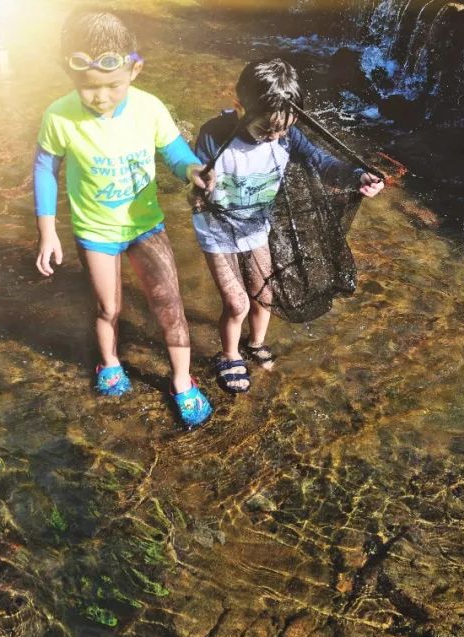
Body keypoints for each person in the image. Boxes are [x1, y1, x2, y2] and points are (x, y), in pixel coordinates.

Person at [33, 10, 214, 428]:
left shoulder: (149, 108)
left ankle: (182, 381)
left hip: (145, 226)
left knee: (169, 304)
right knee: (107, 305)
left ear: (135, 69)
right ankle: (110, 362)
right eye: (88, 88)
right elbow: (45, 170)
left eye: (112, 85)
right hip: (95, 231)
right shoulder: (59, 116)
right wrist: (47, 232)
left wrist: (192, 170)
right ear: (70, 75)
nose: (101, 97)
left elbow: (174, 152)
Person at [191, 58, 384, 393]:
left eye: (283, 128)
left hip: (255, 226)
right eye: (266, 129)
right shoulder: (215, 135)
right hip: (218, 229)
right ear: (240, 107)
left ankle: (256, 343)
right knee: (237, 302)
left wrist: (358, 176)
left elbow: (322, 163)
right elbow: (194, 177)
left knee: (264, 294)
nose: (274, 136)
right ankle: (229, 354)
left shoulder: (287, 136)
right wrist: (200, 183)